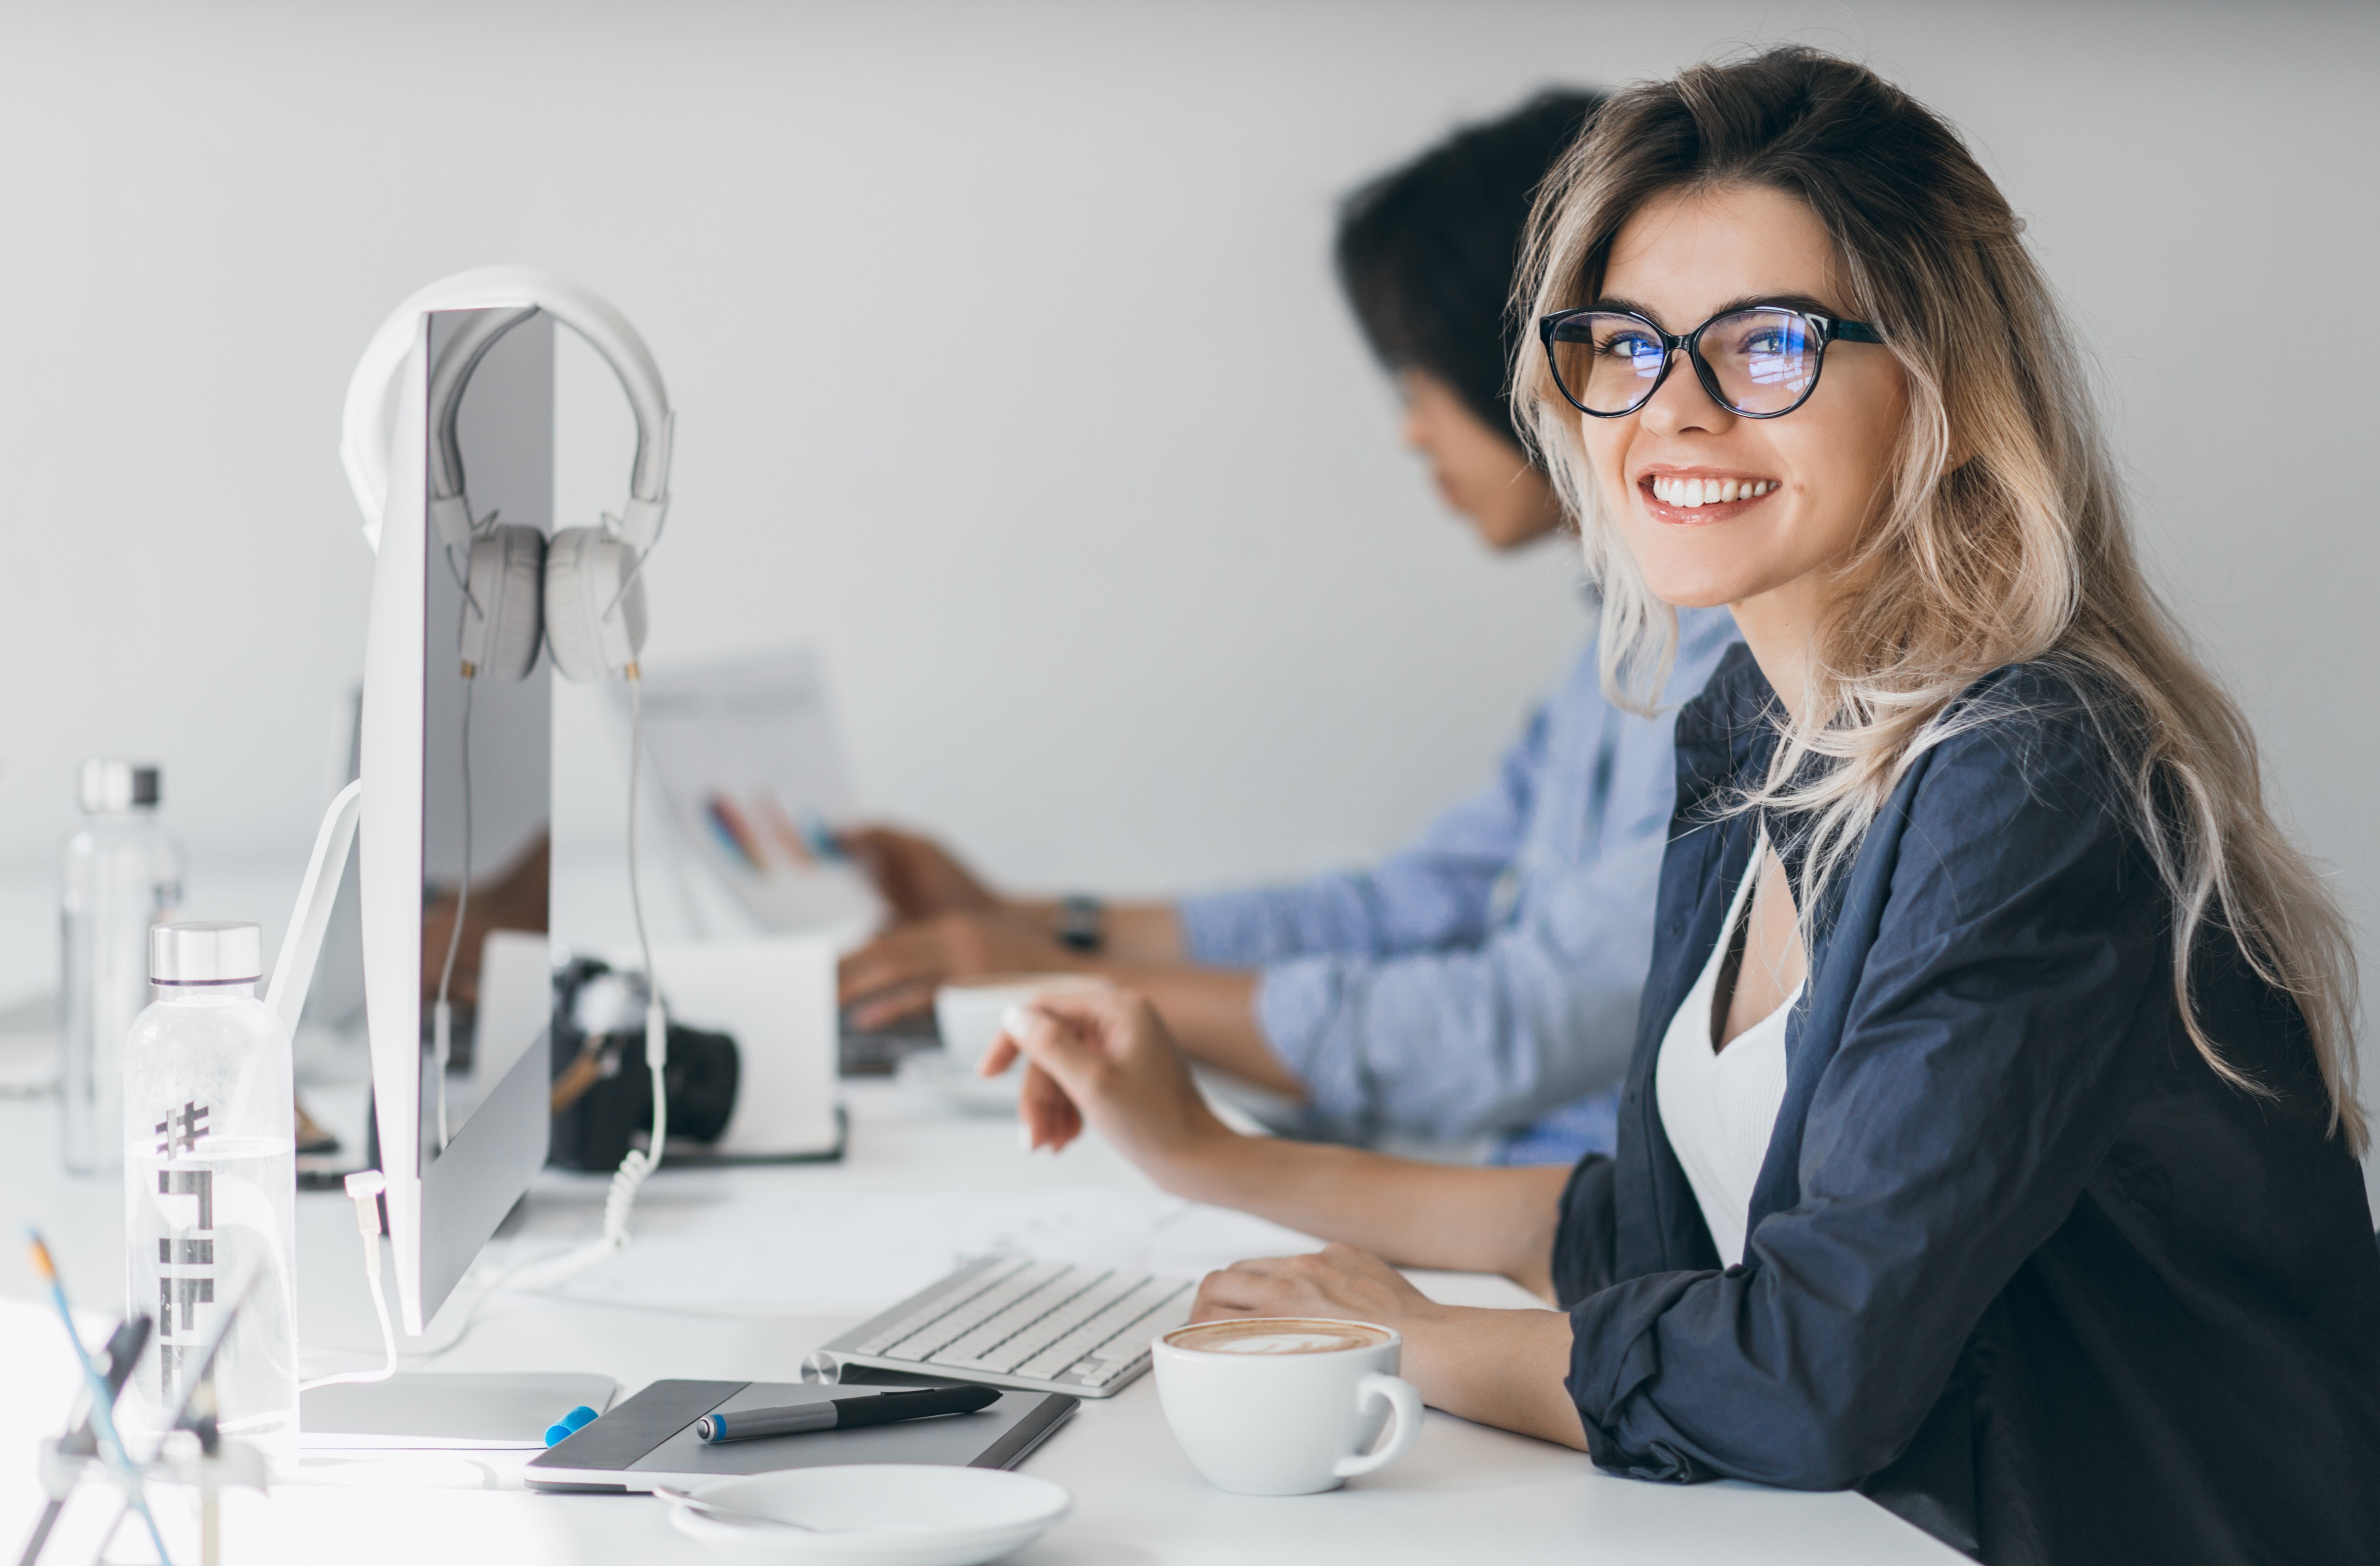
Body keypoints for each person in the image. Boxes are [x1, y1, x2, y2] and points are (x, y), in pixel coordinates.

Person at [983, 48, 2380, 1566]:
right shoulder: (1749, 730)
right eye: (1625, 347)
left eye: (1765, 345)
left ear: (1947, 391)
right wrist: (1208, 1156)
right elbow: (1659, 1233)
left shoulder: (2027, 769)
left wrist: (1403, 1336)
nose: (1675, 410)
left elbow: (1803, 1374)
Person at [838, 89, 1742, 1161]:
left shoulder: (1745, 676)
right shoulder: (1621, 653)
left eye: (1418, 377)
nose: (1410, 430)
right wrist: (1039, 926)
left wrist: (1067, 984)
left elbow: (1515, 1025)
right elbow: (1409, 905)